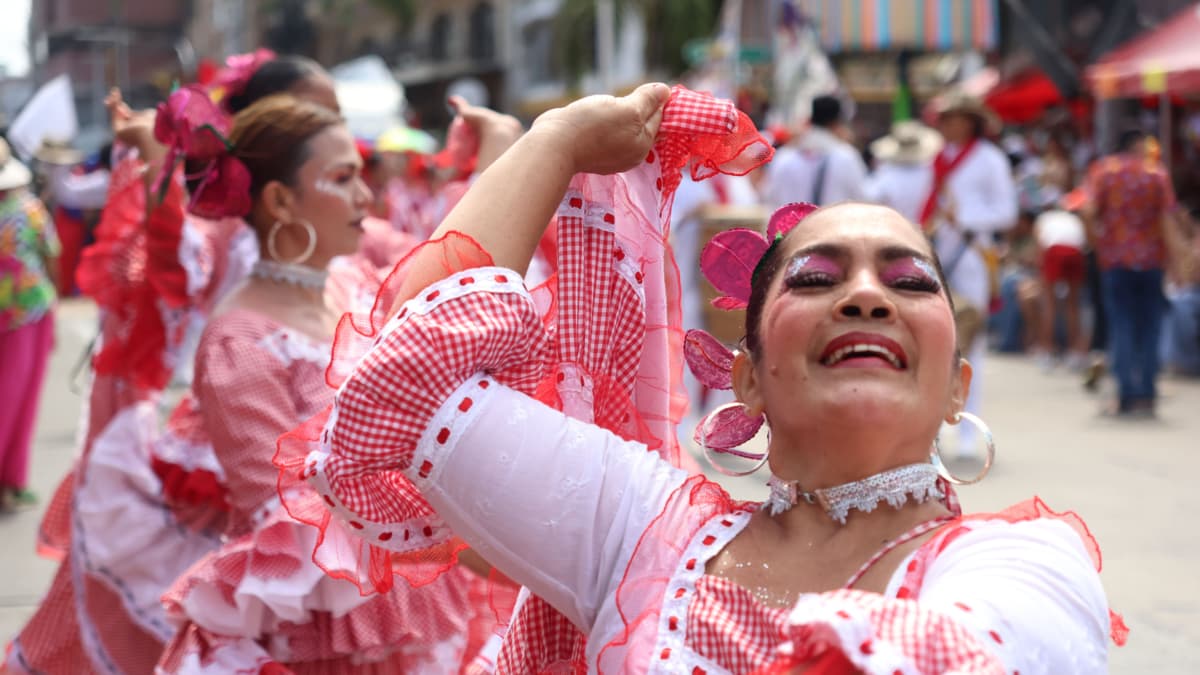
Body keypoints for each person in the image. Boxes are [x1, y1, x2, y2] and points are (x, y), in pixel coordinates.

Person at [281, 84, 1123, 673]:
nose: (867, 295)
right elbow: (403, 384)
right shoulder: (650, 532)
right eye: (816, 279)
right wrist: (559, 140)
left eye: (908, 282)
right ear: (747, 380)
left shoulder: (1025, 566)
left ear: (956, 389)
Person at [4, 53, 356, 675]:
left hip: (305, 468)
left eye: (333, 115)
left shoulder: (346, 238)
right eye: (316, 113)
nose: (329, 126)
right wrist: (154, 171)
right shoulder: (219, 234)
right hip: (228, 466)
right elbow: (174, 270)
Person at [153, 94, 503, 674]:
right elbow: (284, 512)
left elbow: (464, 265)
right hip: (332, 622)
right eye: (342, 179)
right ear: (280, 200)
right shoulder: (240, 342)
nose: (366, 196)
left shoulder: (354, 280)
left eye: (359, 175)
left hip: (419, 586)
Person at [920, 93, 1017, 458]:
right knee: (931, 338)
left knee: (971, 340)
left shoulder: (990, 159)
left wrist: (966, 221)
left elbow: (1006, 212)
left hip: (973, 254)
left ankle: (967, 429)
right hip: (937, 254)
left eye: (953, 117)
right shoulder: (936, 159)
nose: (945, 124)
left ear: (969, 121)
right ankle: (930, 428)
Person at [1083, 129, 1176, 417]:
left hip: (1116, 260)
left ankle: (1125, 395)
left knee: (1121, 325)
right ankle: (1146, 394)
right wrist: (1174, 257)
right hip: (1151, 260)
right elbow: (1167, 218)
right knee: (1150, 327)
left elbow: (1087, 211)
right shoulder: (1156, 173)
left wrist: (1099, 245)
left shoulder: (1104, 171)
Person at [0, 138, 56, 512]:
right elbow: (52, 257)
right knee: (18, 398)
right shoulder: (29, 209)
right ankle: (9, 482)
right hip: (29, 314)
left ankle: (11, 482)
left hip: (16, 315)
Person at [763, 95, 868, 209]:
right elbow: (862, 200)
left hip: (789, 225)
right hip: (833, 225)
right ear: (836, 123)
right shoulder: (846, 157)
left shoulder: (784, 157)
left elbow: (769, 197)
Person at [1033, 197, 1090, 371]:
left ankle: (1047, 351)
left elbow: (1040, 245)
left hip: (1054, 250)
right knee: (1073, 304)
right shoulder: (1074, 220)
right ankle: (1076, 353)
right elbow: (1085, 242)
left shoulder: (1044, 219)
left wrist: (1039, 269)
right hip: (1075, 252)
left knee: (1049, 304)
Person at [864, 120, 941, 224]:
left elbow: (869, 202)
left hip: (896, 230)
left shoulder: (885, 175)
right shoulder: (931, 171)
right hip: (924, 231)